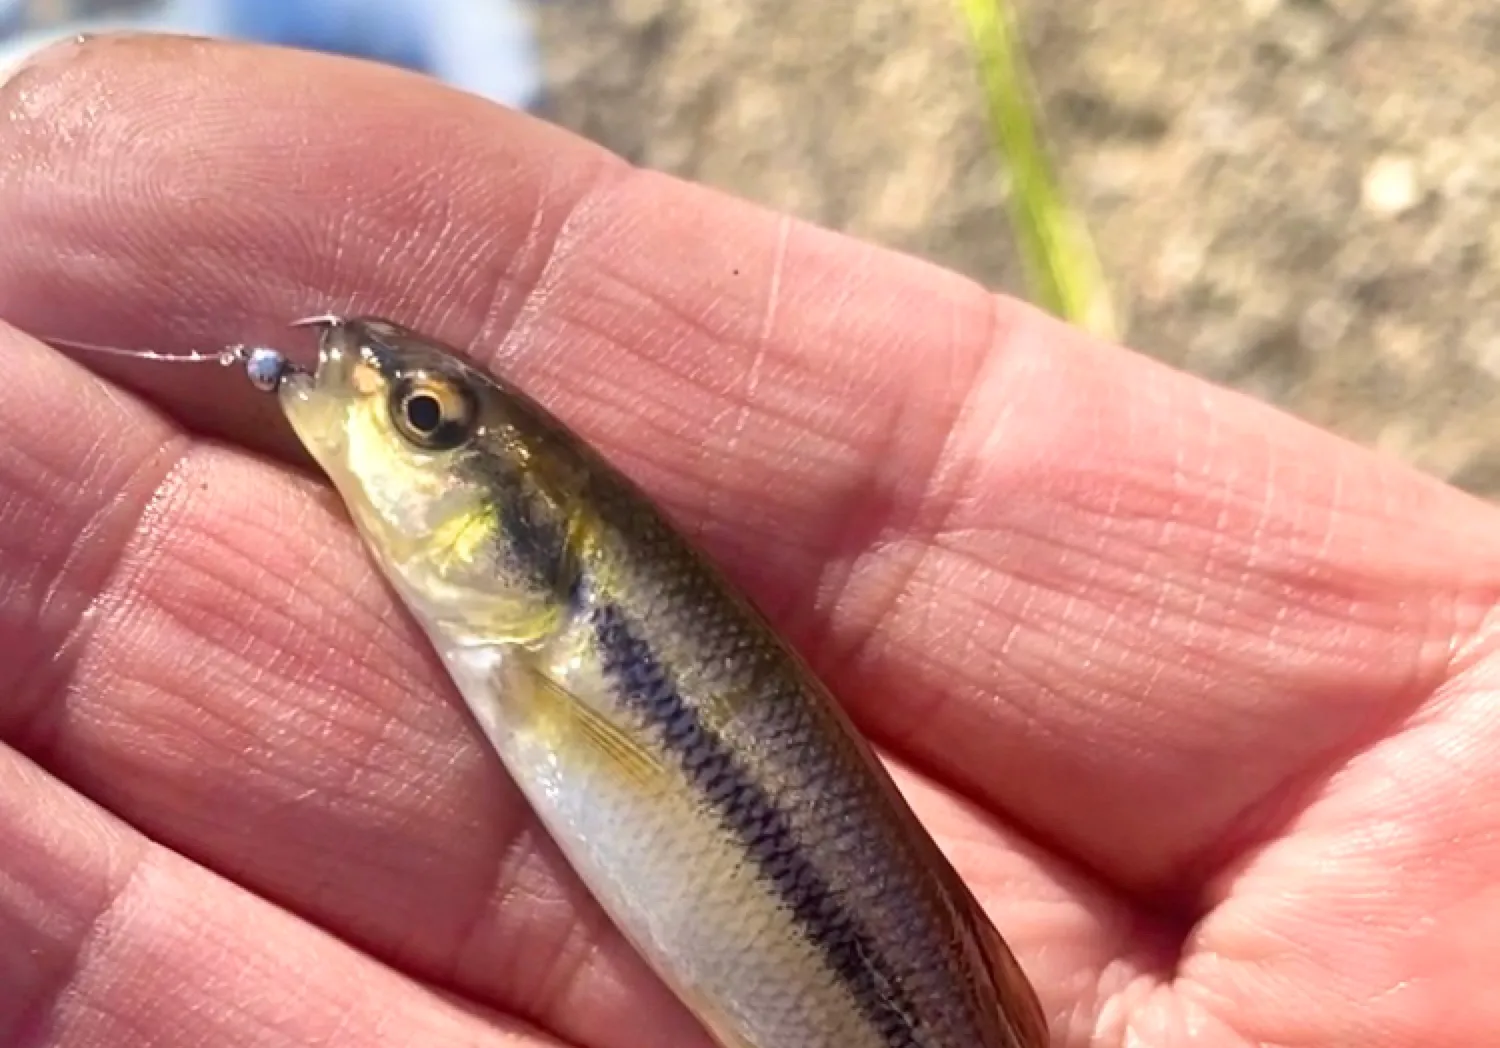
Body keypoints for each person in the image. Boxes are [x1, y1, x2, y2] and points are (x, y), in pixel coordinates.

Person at [0, 33, 1489, 1048]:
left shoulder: (553, 639)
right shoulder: (531, 634)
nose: (373, 399)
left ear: (530, 535)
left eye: (430, 422)